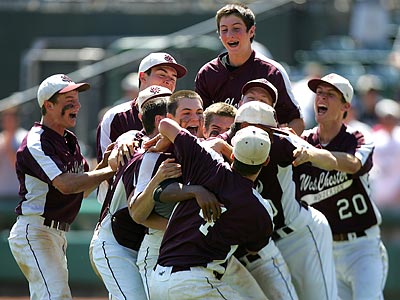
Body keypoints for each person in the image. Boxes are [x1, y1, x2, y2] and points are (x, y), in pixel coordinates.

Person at [8, 74, 116, 299]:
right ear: (48, 105)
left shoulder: (69, 139)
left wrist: (105, 164)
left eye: (77, 99)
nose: (76, 104)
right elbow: (66, 185)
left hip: (56, 234)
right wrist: (111, 169)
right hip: (36, 230)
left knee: (51, 295)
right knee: (55, 296)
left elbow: (82, 189)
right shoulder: (36, 141)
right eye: (69, 100)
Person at [149, 119, 274, 300]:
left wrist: (164, 140)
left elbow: (165, 124)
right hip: (195, 284)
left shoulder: (207, 162)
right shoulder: (260, 210)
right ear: (266, 161)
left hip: (158, 280)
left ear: (232, 155)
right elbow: (254, 249)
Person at [292, 73, 389, 300]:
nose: (321, 98)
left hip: (362, 247)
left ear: (345, 106)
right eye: (319, 93)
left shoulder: (357, 137)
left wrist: (315, 155)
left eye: (330, 95)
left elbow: (353, 164)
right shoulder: (302, 142)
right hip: (326, 250)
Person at [230, 101, 337, 300]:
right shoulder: (226, 141)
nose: (257, 135)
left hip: (297, 235)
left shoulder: (282, 142)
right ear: (239, 127)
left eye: (264, 130)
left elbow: (331, 161)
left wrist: (309, 153)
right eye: (250, 128)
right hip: (261, 246)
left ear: (273, 131)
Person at [91, 86, 174, 299]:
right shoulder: (133, 139)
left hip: (141, 242)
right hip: (115, 243)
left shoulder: (175, 146)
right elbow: (116, 155)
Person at [195, 3, 304, 135]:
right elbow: (199, 123)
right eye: (224, 30)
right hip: (218, 149)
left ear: (251, 31)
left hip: (259, 150)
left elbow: (296, 121)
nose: (230, 35)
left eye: (236, 29)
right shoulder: (207, 73)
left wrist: (278, 147)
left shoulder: (272, 72)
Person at [95, 52, 187, 205]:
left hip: (163, 204)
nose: (168, 81)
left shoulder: (179, 117)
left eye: (173, 78)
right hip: (119, 209)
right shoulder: (116, 116)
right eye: (162, 74)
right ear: (143, 77)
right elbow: (105, 173)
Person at [370, 98, 400, 207]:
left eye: (391, 117)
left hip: (397, 197)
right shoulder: (374, 137)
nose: (389, 120)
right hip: (378, 197)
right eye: (386, 117)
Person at [0, 107, 27, 197]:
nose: (8, 123)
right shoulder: (1, 139)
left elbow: (18, 165)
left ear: (16, 120)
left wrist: (8, 145)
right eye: (5, 120)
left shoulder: (25, 138)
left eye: (10, 119)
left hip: (19, 194)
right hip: (2, 193)